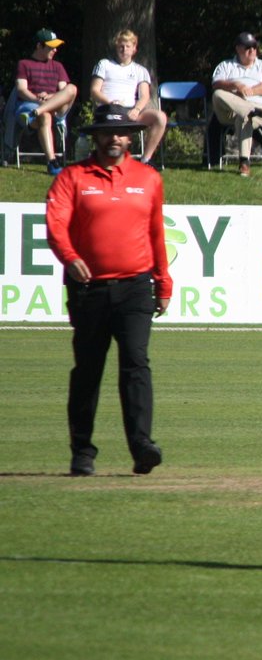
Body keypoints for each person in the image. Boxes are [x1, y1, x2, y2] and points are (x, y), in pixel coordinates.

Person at [44, 106, 172, 477]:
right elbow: (56, 224)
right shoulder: (73, 176)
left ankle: (142, 447)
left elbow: (156, 233)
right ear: (95, 137)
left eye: (120, 133)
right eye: (106, 132)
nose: (114, 139)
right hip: (89, 290)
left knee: (136, 363)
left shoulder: (148, 178)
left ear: (130, 138)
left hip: (136, 287)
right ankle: (82, 452)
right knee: (88, 369)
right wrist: (69, 257)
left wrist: (163, 281)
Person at [90, 29, 167, 165]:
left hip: (129, 112)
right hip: (108, 111)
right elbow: (94, 91)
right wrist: (110, 103)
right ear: (116, 47)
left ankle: (146, 160)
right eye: (121, 46)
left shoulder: (140, 70)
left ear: (134, 49)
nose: (124, 49)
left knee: (160, 117)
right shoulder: (104, 64)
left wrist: (136, 110)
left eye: (127, 46)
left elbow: (144, 96)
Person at [10, 28, 78, 175]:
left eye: (55, 47)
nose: (55, 50)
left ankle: (38, 111)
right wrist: (37, 99)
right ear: (39, 46)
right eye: (51, 47)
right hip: (29, 106)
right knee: (45, 116)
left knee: (72, 88)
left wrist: (50, 97)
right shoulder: (24, 64)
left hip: (54, 108)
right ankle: (52, 163)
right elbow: (21, 90)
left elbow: (64, 91)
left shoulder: (58, 66)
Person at [211, 32, 262, 177]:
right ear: (238, 49)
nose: (252, 50)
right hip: (230, 111)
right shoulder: (226, 65)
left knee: (244, 117)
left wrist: (249, 91)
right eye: (248, 47)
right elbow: (216, 84)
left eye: (254, 47)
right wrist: (235, 85)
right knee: (217, 94)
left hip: (258, 108)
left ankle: (244, 163)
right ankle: (250, 110)